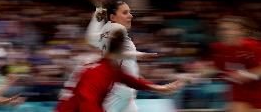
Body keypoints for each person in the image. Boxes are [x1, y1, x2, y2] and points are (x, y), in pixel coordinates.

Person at [55, 29, 185, 112]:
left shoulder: (109, 68)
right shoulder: (98, 72)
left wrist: (160, 88)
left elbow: (132, 81)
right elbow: (87, 101)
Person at [86, 0, 157, 112]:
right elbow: (117, 55)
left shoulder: (110, 34)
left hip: (125, 95)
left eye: (129, 12)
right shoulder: (116, 28)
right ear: (113, 17)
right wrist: (141, 55)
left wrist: (98, 12)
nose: (130, 16)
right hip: (117, 94)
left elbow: (91, 38)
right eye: (125, 13)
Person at [197, 17, 261, 112]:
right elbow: (215, 67)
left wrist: (247, 74)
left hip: (257, 94)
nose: (224, 32)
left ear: (240, 31)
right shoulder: (219, 48)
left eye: (228, 29)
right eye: (221, 29)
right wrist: (194, 75)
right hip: (237, 96)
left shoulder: (253, 47)